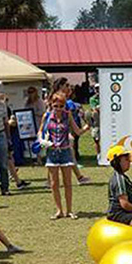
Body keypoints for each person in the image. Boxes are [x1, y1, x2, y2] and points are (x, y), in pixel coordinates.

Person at [38, 92, 88, 220]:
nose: (58, 108)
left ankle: (69, 210)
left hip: (65, 151)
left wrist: (88, 126)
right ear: (51, 104)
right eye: (56, 106)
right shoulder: (47, 116)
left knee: (68, 183)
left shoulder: (68, 115)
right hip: (52, 151)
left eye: (61, 106)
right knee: (54, 183)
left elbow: (77, 131)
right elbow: (40, 131)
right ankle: (59, 210)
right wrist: (42, 140)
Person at [107, 144, 132, 227]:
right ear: (117, 162)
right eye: (126, 159)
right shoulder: (119, 179)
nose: (129, 161)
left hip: (124, 212)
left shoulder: (122, 177)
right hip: (119, 214)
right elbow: (124, 204)